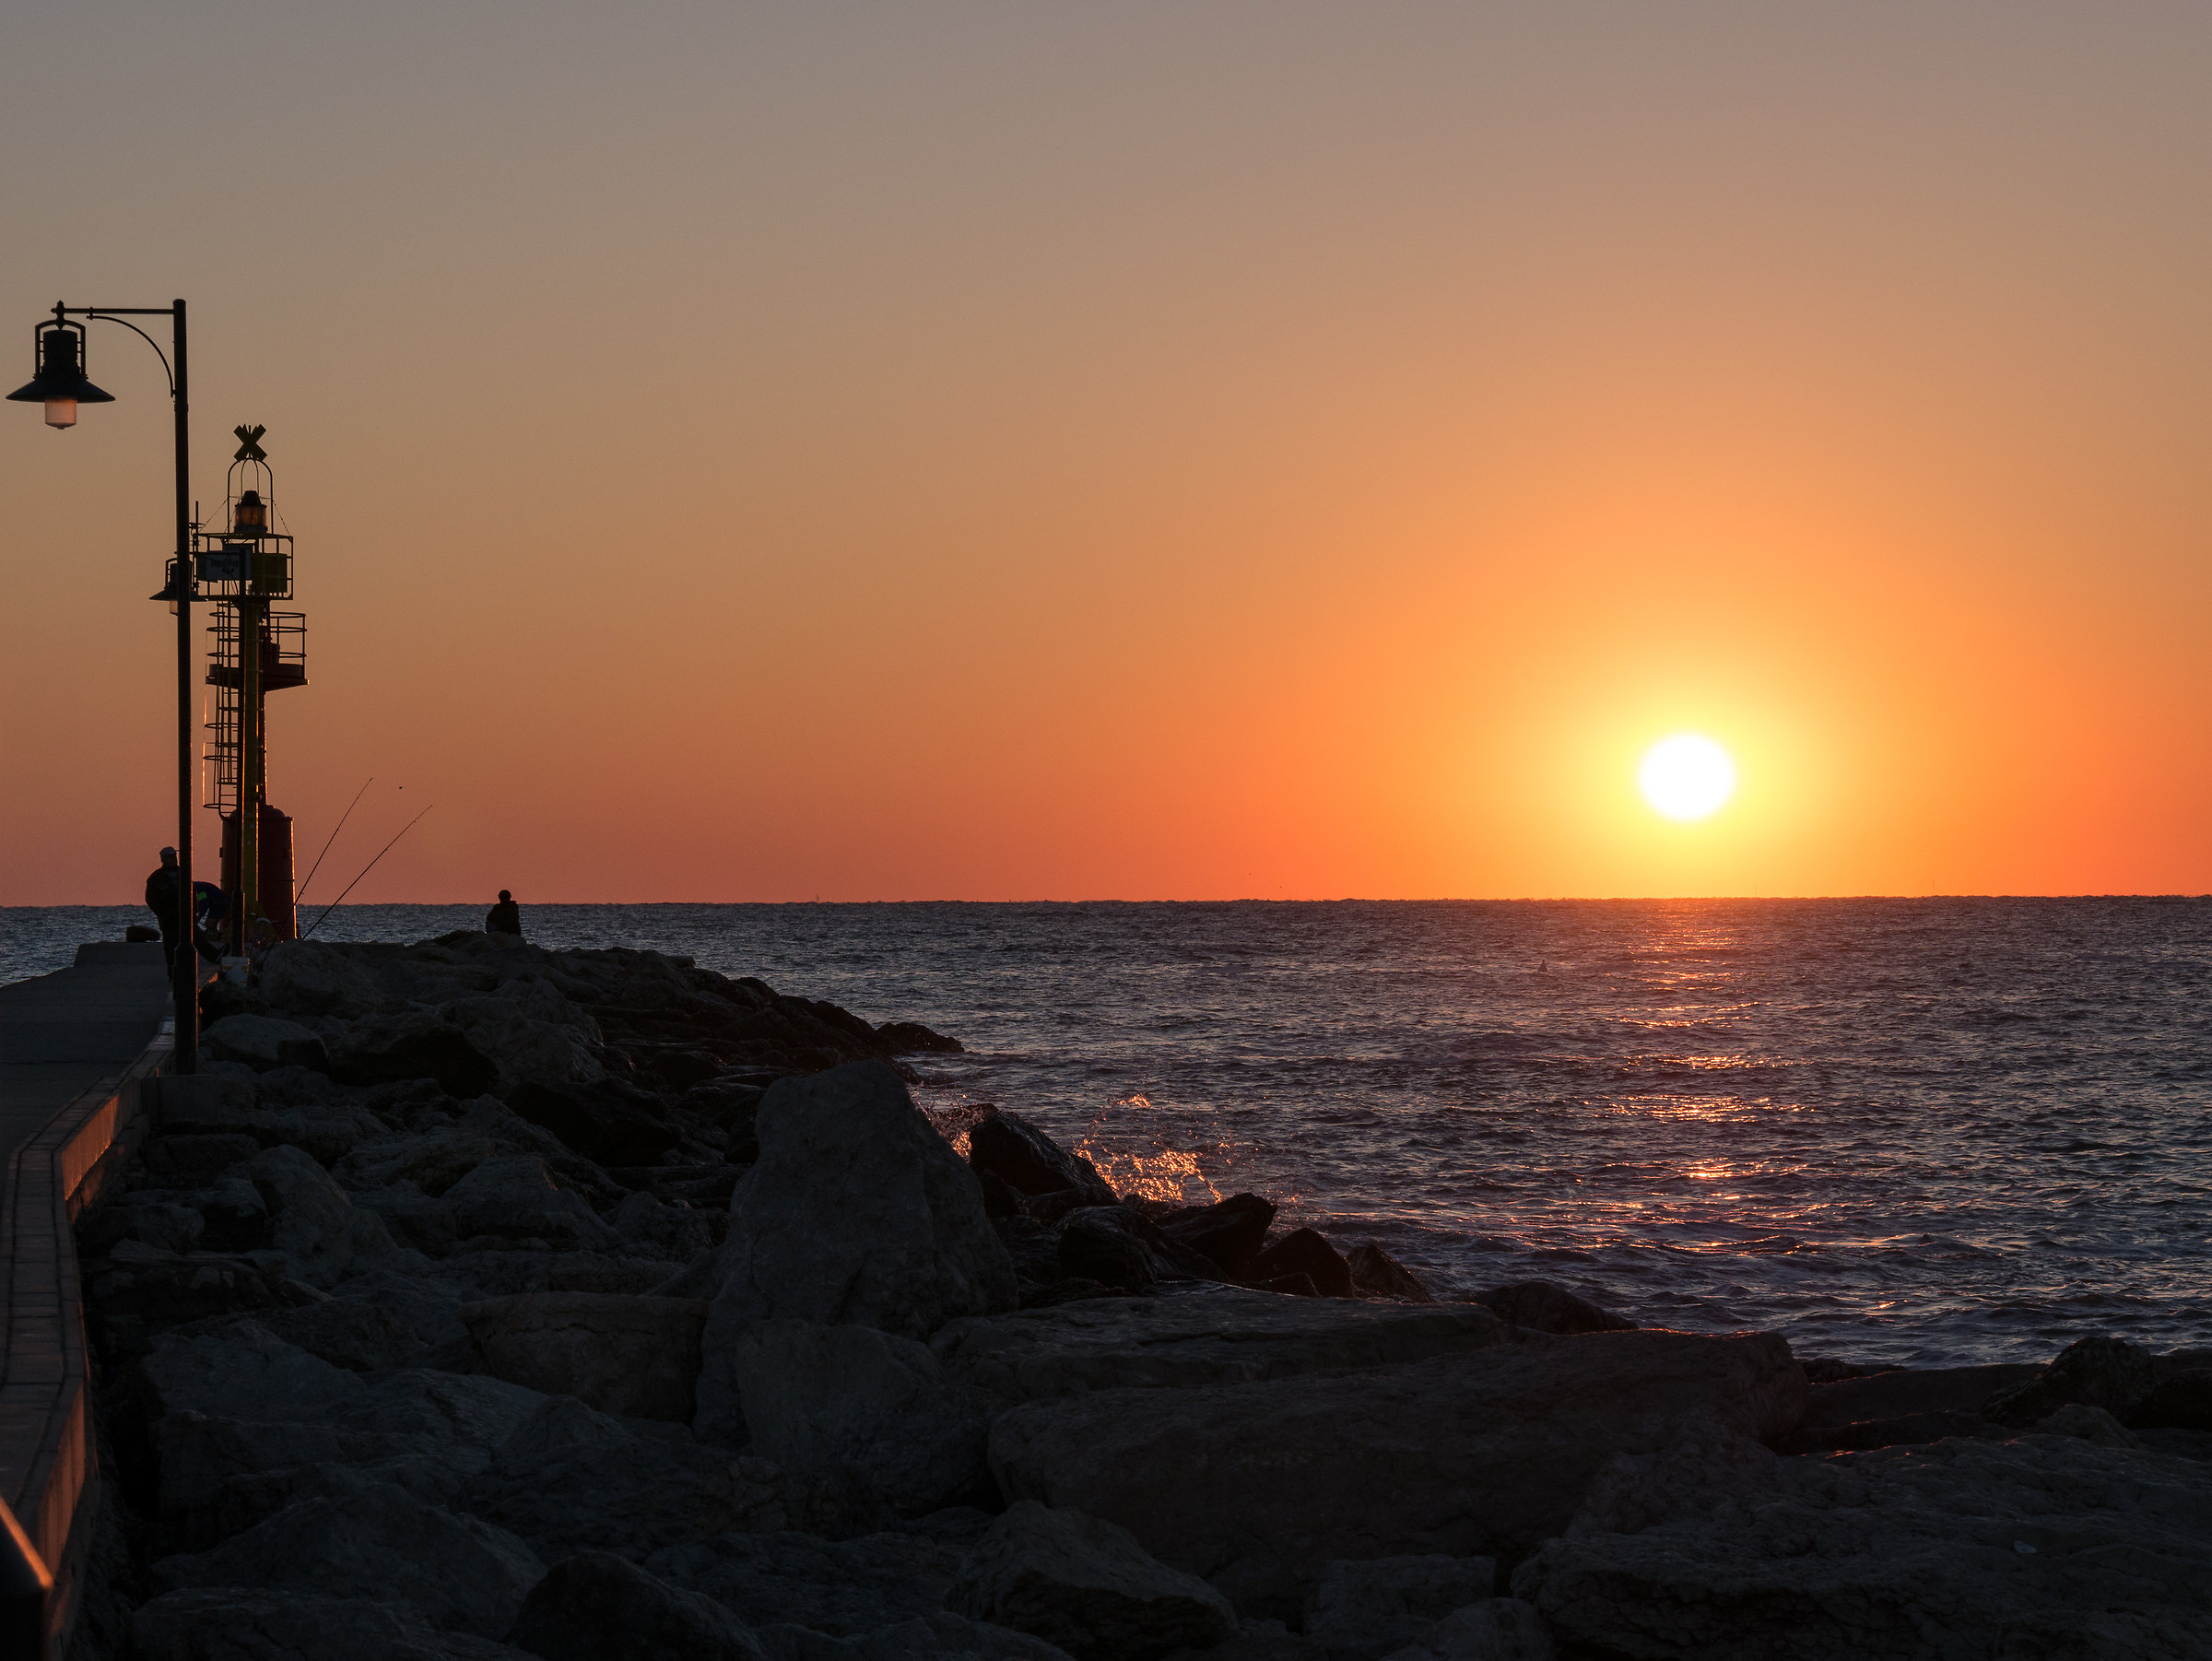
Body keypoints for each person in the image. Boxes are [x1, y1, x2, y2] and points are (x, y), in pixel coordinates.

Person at [144, 848, 183, 972]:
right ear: (163, 859)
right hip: (168, 920)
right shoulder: (156, 878)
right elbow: (150, 899)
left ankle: (215, 957)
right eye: (171, 856)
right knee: (170, 946)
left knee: (194, 941)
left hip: (185, 917)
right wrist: (162, 913)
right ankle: (173, 971)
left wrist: (195, 910)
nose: (174, 858)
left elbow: (192, 893)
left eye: (175, 856)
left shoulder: (184, 873)